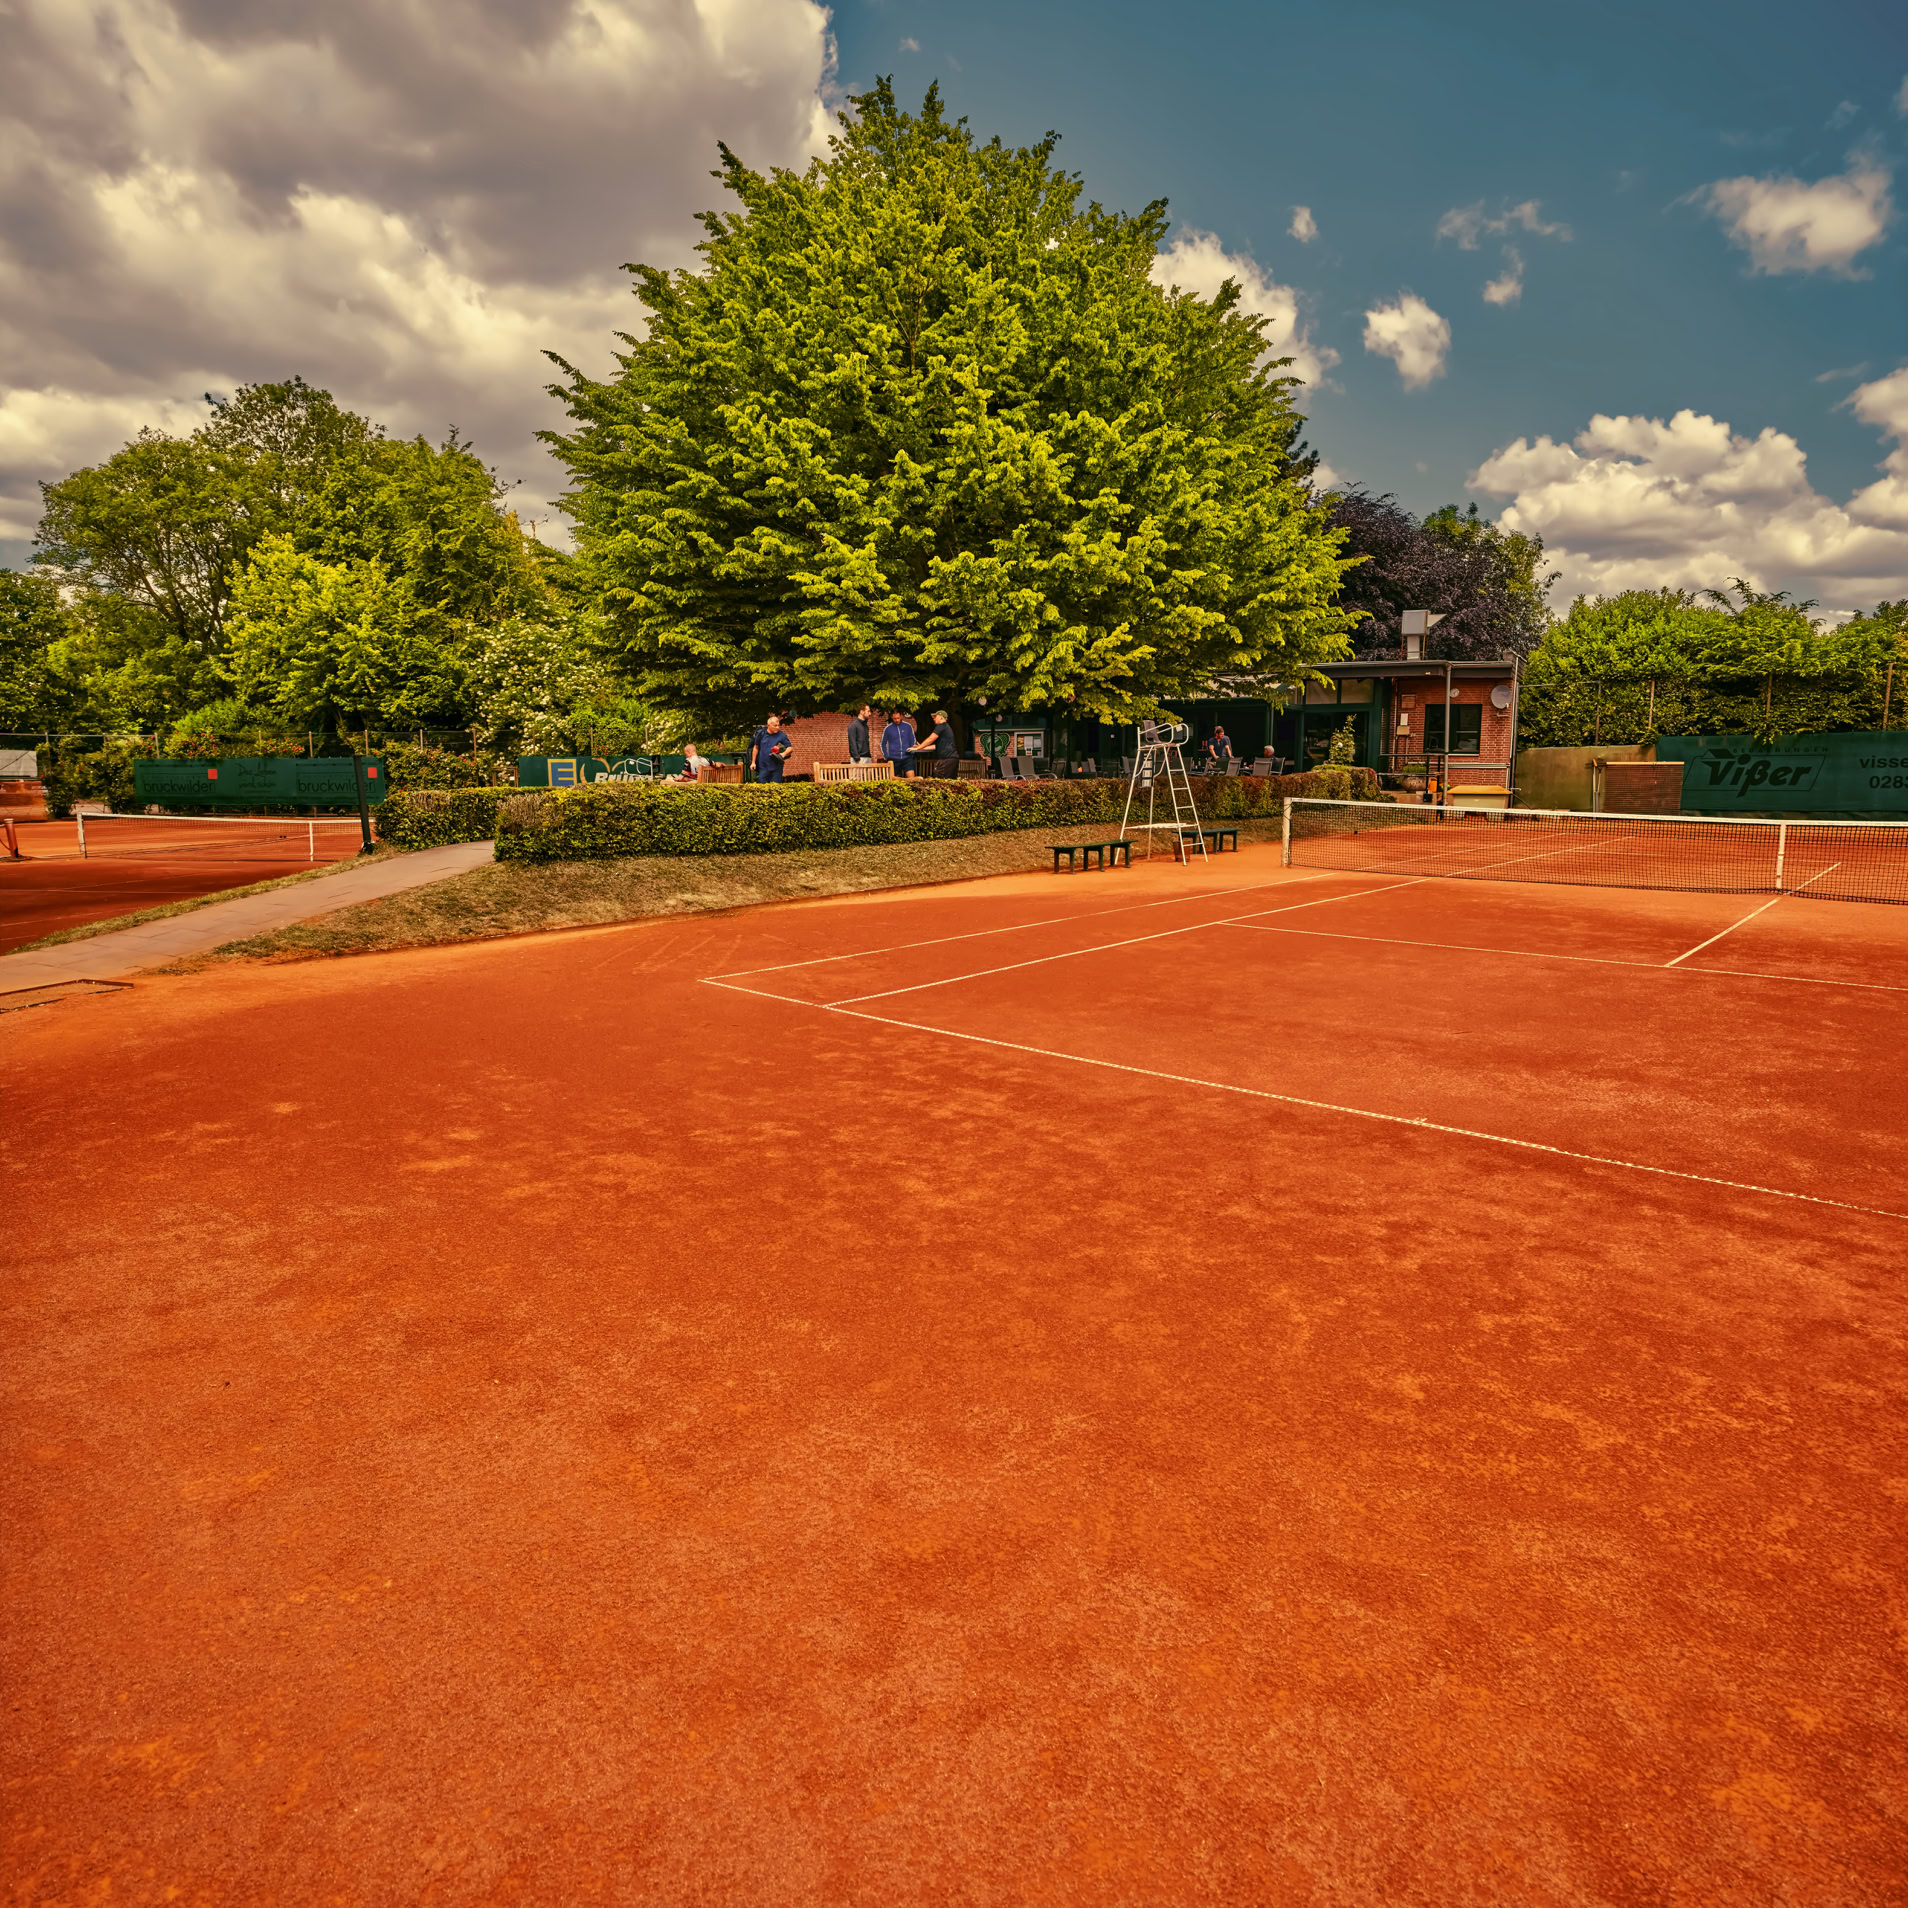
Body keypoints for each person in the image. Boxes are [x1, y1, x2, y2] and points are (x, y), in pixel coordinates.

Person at [912, 709, 960, 778]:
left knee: (938, 778)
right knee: (949, 782)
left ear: (941, 717)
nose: (933, 719)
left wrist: (918, 748)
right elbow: (935, 746)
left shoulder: (941, 726)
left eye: (935, 717)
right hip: (952, 759)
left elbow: (931, 739)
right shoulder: (946, 727)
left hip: (946, 759)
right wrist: (921, 747)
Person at [749, 713, 792, 783]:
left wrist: (783, 754)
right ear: (768, 725)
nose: (777, 727)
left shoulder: (782, 735)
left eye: (778, 725)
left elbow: (790, 748)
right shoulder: (761, 734)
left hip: (777, 767)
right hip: (763, 766)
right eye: (775, 725)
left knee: (776, 786)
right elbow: (756, 747)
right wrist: (753, 762)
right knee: (761, 786)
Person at [881, 709, 916, 777]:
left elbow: (912, 740)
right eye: (894, 718)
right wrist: (886, 755)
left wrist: (912, 751)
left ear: (901, 716)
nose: (896, 720)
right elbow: (883, 743)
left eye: (898, 718)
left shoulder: (908, 726)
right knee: (896, 781)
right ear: (892, 717)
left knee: (912, 779)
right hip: (894, 759)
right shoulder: (888, 729)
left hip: (907, 757)